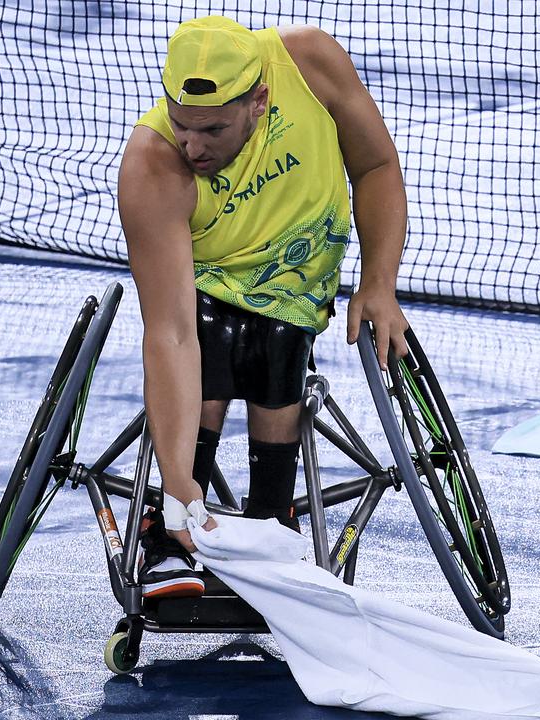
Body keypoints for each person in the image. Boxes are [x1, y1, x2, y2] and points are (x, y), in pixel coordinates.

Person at [116, 15, 409, 599]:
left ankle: (275, 513)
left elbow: (376, 167)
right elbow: (169, 335)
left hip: (296, 278)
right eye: (181, 125)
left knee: (277, 338)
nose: (193, 147)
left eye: (213, 131)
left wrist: (379, 282)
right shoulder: (152, 165)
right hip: (206, 279)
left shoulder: (309, 64)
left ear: (259, 101)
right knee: (210, 332)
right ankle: (173, 533)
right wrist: (175, 483)